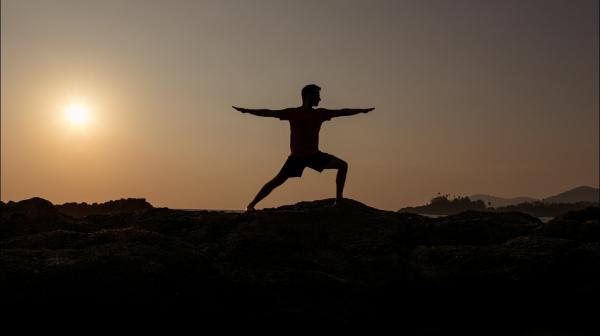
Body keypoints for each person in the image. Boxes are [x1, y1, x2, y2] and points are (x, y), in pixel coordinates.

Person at [233, 84, 374, 211]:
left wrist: (361, 110)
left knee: (343, 165)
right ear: (309, 96)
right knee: (277, 181)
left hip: (314, 155)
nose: (320, 99)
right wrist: (247, 110)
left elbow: (342, 112)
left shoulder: (320, 113)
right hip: (296, 157)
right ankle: (251, 205)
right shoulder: (292, 113)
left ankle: (338, 201)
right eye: (318, 96)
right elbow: (269, 112)